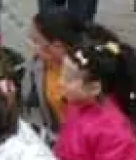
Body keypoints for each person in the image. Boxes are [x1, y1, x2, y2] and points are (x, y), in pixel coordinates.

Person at [21, 9, 87, 144]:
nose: (31, 45)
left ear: (58, 46)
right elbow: (32, 109)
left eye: (35, 41)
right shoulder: (37, 66)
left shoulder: (86, 73)